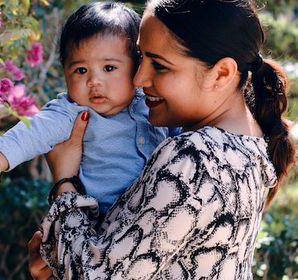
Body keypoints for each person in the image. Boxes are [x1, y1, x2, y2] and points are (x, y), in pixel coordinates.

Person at [29, 0, 296, 279]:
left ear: (221, 73)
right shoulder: (248, 147)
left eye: (159, 65)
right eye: (140, 57)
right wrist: (59, 258)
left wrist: (65, 180)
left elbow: (95, 275)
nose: (139, 78)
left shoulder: (195, 158)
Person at [0, 2, 178, 214]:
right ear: (65, 72)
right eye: (81, 70)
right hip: (97, 220)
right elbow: (32, 133)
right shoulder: (70, 112)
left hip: (154, 214)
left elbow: (183, 132)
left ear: (137, 67)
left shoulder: (152, 102)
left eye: (109, 68)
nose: (94, 81)